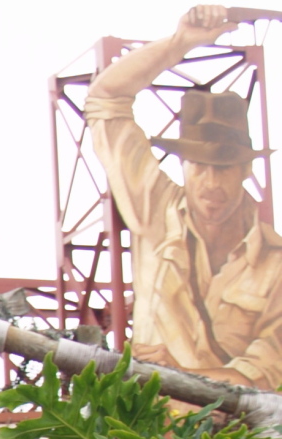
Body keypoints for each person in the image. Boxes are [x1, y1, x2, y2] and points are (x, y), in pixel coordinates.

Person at [86, 7, 282, 389]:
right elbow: (105, 98)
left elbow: (270, 377)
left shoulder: (276, 266)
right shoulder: (154, 207)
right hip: (148, 434)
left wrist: (179, 374)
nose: (211, 182)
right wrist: (180, 43)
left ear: (246, 170)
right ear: (183, 165)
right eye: (199, 165)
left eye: (224, 167)